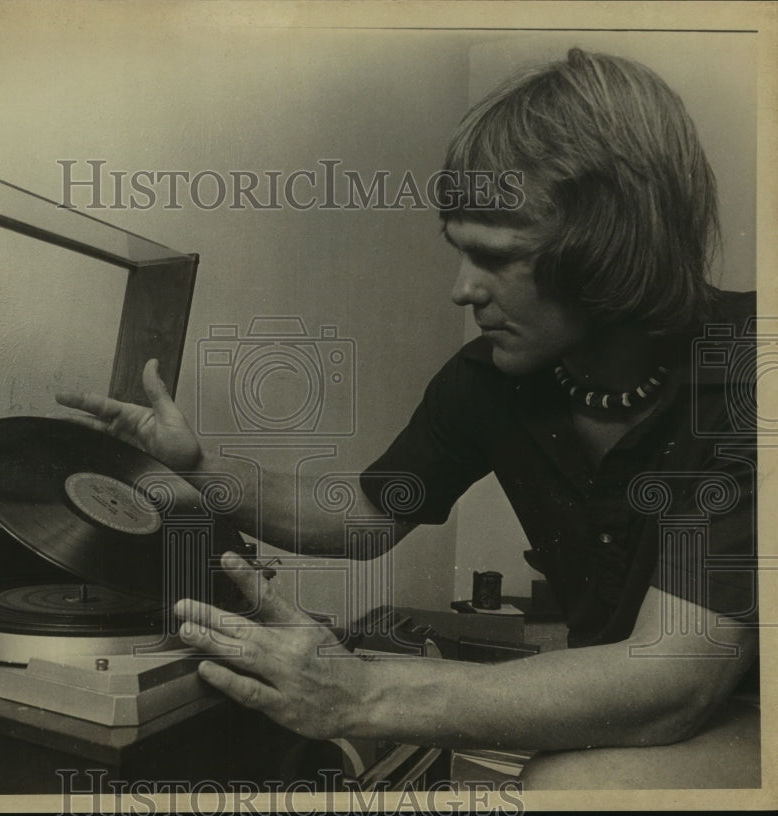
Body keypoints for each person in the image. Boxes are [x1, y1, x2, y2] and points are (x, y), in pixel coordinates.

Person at [57, 48, 759, 789]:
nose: (463, 290)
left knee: (569, 790)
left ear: (612, 250)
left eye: (495, 257)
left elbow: (677, 680)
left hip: (745, 702)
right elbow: (365, 515)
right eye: (459, 253)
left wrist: (361, 695)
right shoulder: (487, 379)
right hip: (647, 699)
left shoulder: (751, 374)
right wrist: (198, 470)